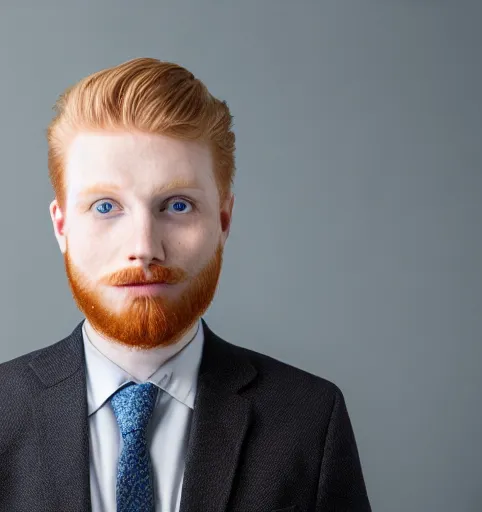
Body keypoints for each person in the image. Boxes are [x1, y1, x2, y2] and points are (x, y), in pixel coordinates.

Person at [0, 57, 372, 511]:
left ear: (223, 219)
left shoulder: (310, 420)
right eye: (104, 207)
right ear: (62, 228)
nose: (144, 248)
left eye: (177, 206)